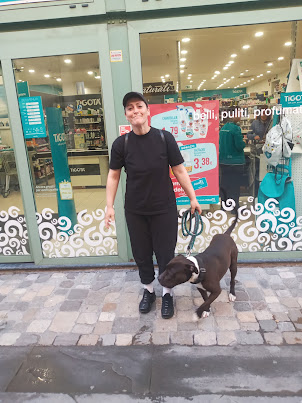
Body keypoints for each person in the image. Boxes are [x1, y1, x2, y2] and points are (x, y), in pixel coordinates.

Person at [105, 92, 202, 319]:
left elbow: (179, 170)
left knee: (166, 253)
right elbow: (113, 176)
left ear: (148, 111)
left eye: (139, 106)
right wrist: (109, 206)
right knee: (141, 253)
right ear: (127, 115)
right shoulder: (122, 144)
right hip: (135, 210)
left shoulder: (164, 138)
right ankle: (148, 291)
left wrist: (193, 198)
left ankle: (167, 293)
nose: (135, 110)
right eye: (130, 108)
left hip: (164, 208)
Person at [219, 108, 246, 212]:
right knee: (235, 185)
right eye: (239, 114)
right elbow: (239, 146)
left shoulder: (223, 128)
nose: (240, 116)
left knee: (225, 184)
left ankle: (224, 205)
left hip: (224, 161)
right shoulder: (236, 129)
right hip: (235, 162)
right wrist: (243, 142)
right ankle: (234, 208)